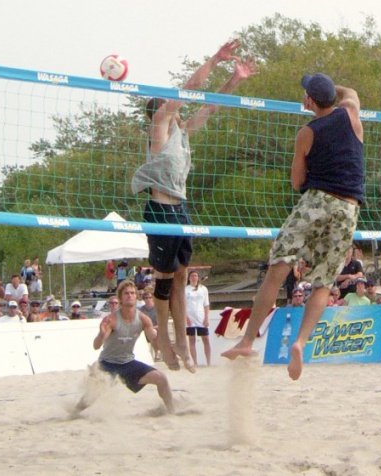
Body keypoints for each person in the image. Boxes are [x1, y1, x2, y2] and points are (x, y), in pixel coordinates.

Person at [223, 73, 364, 382]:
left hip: (316, 202)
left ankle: (247, 342)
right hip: (349, 209)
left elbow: (297, 182)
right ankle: (300, 343)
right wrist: (328, 89)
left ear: (309, 101)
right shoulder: (351, 114)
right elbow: (349, 91)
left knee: (278, 268)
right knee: (323, 283)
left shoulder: (307, 132)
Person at [131, 39, 258, 373]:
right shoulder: (159, 125)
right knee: (163, 279)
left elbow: (210, 106)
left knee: (181, 277)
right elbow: (191, 88)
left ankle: (184, 346)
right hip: (160, 210)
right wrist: (215, 59)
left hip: (181, 209)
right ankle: (165, 342)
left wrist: (235, 80)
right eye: (171, 103)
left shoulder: (182, 131)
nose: (178, 106)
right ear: (160, 108)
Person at [75, 281, 174, 414]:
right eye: (126, 293)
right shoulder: (111, 319)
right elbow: (96, 346)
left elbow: (154, 342)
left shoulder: (144, 319)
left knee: (161, 378)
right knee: (92, 395)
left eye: (132, 293)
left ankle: (172, 410)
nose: (130, 295)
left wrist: (161, 341)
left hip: (128, 363)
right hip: (107, 363)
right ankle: (74, 413)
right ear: (120, 298)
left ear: (136, 297)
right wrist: (101, 334)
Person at [185, 270, 211, 367]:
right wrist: (186, 317)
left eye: (195, 276)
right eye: (192, 276)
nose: (194, 278)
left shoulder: (203, 289)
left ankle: (208, 361)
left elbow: (206, 304)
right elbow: (183, 305)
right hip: (190, 317)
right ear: (189, 278)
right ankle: (195, 362)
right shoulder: (186, 289)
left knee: (206, 339)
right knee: (192, 340)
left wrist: (206, 317)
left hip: (201, 316)